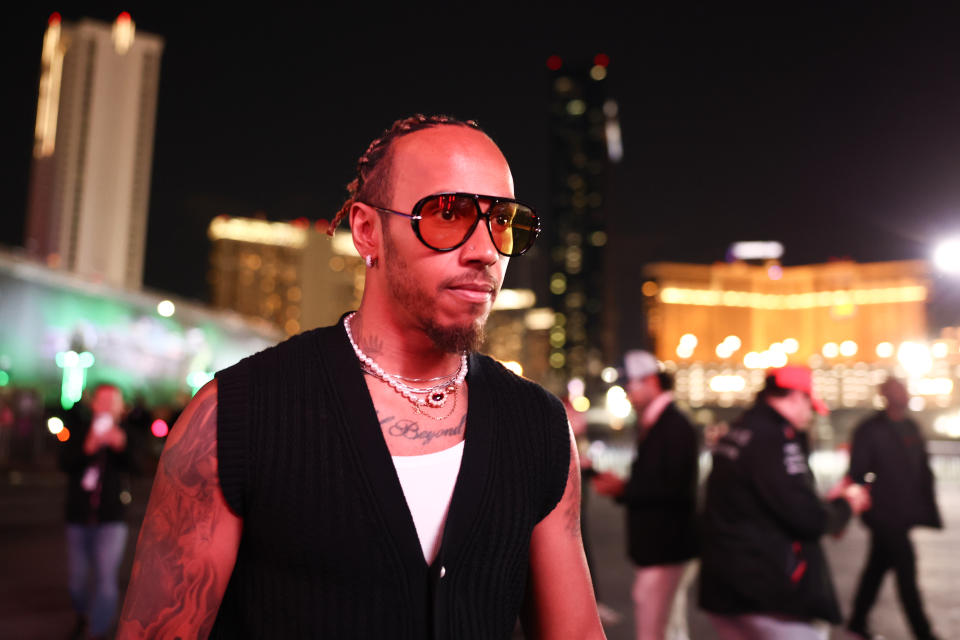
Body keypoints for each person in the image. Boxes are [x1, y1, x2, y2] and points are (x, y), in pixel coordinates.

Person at [117, 115, 605, 639]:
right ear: (367, 230)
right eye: (447, 214)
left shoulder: (538, 426)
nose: (485, 250)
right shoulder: (236, 416)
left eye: (504, 221)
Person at [698, 365, 871, 640]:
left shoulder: (739, 430)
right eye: (809, 405)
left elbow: (764, 502)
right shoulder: (776, 438)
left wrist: (826, 506)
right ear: (795, 397)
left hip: (724, 587)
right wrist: (846, 506)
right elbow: (805, 517)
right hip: (767, 592)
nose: (809, 415)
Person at [593, 350, 699, 640]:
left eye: (631, 386)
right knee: (670, 628)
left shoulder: (672, 425)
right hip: (665, 548)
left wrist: (624, 489)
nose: (628, 394)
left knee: (656, 630)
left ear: (651, 381)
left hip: (666, 549)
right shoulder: (664, 422)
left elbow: (675, 487)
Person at [846, 377, 942, 640]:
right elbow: (857, 472)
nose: (905, 394)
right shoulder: (870, 429)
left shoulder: (911, 427)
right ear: (886, 395)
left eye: (904, 389)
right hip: (883, 515)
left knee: (877, 568)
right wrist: (868, 497)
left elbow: (922, 470)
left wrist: (925, 507)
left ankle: (856, 622)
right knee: (906, 572)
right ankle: (923, 633)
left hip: (906, 513)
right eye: (898, 390)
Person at [59, 384, 134, 640]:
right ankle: (81, 615)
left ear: (121, 406)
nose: (107, 406)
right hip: (78, 518)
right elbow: (64, 463)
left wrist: (122, 445)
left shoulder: (127, 433)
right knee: (76, 581)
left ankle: (97, 630)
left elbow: (140, 467)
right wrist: (87, 447)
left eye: (113, 401)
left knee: (105, 580)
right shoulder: (79, 430)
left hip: (111, 519)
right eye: (102, 400)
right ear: (93, 404)